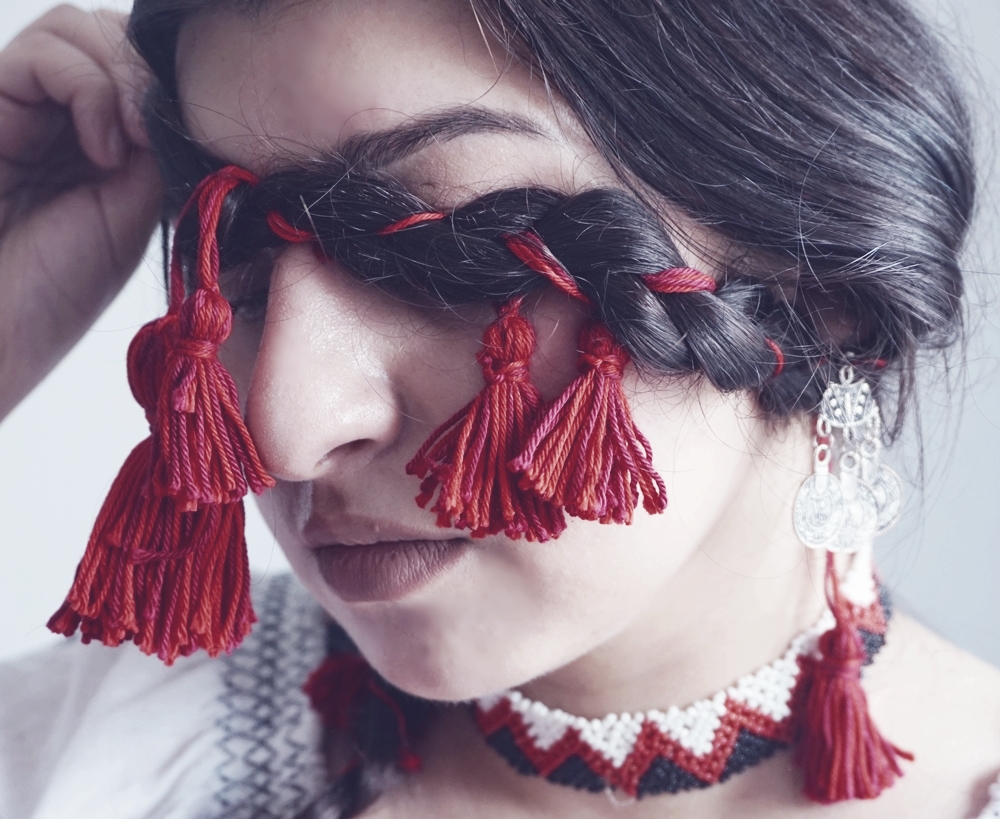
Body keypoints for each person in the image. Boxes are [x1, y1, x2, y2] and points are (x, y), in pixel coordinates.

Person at [0, 1, 998, 817]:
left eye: (458, 259)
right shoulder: (97, 756)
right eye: (241, 279)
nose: (282, 432)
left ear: (819, 280)